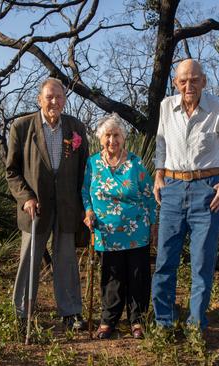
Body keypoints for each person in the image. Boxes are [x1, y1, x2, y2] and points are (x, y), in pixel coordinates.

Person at [151, 59, 219, 332]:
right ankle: (163, 324)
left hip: (208, 189)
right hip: (172, 188)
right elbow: (161, 144)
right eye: (183, 81)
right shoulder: (166, 106)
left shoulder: (217, 107)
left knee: (201, 263)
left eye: (194, 80)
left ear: (204, 81)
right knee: (165, 260)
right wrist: (158, 174)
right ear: (176, 83)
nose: (188, 85)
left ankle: (195, 327)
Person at [6, 77, 89, 330]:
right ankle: (22, 313)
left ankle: (72, 312)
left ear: (65, 100)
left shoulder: (76, 127)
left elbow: (85, 169)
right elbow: (12, 171)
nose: (54, 101)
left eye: (59, 97)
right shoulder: (22, 127)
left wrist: (84, 206)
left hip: (67, 207)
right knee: (28, 261)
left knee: (66, 261)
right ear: (39, 99)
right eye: (49, 97)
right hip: (36, 207)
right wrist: (25, 197)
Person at [82, 113, 157, 339]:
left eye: (116, 135)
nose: (112, 140)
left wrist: (153, 223)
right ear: (100, 138)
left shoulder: (135, 163)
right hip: (106, 231)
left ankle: (137, 320)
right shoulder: (93, 163)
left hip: (137, 229)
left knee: (137, 276)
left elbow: (149, 194)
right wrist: (88, 211)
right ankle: (108, 320)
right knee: (111, 277)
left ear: (123, 138)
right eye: (107, 135)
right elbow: (85, 191)